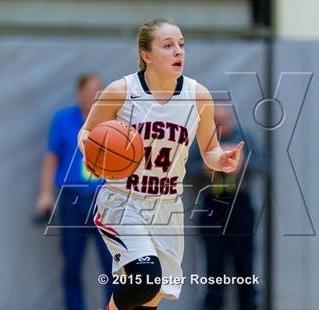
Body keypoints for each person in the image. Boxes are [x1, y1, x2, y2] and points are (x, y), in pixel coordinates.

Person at [78, 18, 244, 310]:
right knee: (145, 279)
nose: (178, 51)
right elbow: (87, 132)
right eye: (167, 45)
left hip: (166, 206)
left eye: (181, 45)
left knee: (150, 298)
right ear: (146, 55)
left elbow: (210, 150)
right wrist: (92, 151)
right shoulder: (122, 90)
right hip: (123, 201)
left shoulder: (198, 95)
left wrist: (223, 160)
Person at [35, 74, 113, 310]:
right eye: (88, 91)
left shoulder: (111, 120)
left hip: (103, 199)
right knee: (72, 262)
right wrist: (45, 193)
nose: (93, 96)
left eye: (97, 92)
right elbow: (51, 158)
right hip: (72, 199)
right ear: (79, 94)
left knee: (111, 263)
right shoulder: (64, 119)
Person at [188, 105, 263, 310]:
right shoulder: (204, 142)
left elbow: (264, 164)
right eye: (217, 122)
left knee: (245, 265)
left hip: (240, 203)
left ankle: (249, 306)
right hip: (212, 205)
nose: (222, 126)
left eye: (225, 121)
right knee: (214, 266)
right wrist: (204, 167)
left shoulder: (243, 138)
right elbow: (185, 169)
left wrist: (242, 163)